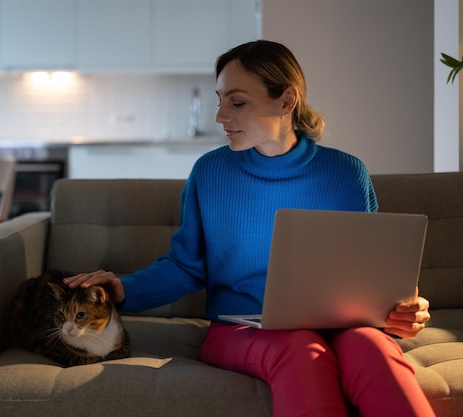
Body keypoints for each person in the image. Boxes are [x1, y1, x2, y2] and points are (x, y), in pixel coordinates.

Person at [64, 40, 435, 417]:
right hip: (238, 330)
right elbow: (187, 266)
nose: (220, 116)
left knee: (373, 350)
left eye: (237, 102)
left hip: (342, 327)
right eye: (220, 100)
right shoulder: (210, 173)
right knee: (301, 349)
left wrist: (402, 310)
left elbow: (371, 274)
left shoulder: (347, 174)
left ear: (287, 100)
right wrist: (124, 289)